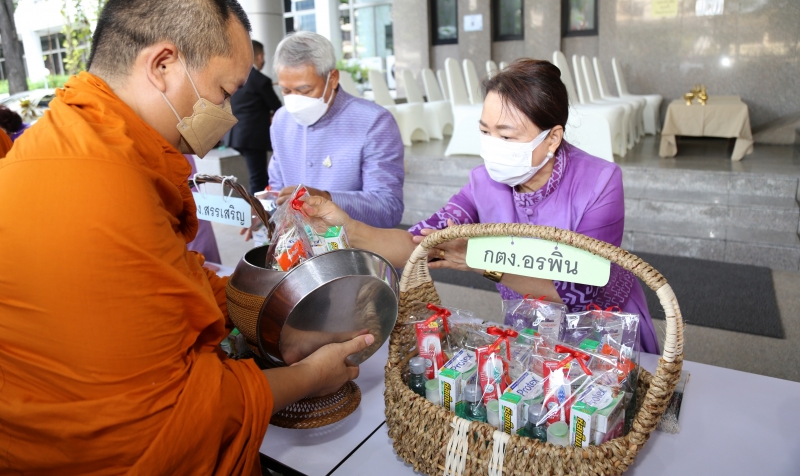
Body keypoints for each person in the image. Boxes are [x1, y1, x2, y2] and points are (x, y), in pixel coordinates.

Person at [0, 0, 371, 475]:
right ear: (164, 66)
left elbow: (170, 294)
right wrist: (312, 377)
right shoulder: (110, 190)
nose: (230, 116)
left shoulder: (57, 139)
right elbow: (177, 415)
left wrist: (278, 316)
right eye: (223, 92)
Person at [303, 59, 659, 354]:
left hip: (602, 326)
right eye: (485, 131)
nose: (493, 146)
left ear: (552, 138)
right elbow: (420, 244)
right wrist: (345, 227)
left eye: (506, 136)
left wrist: (483, 263)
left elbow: (578, 289)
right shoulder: (484, 181)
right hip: (531, 322)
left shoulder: (600, 183)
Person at [268, 31, 404, 228]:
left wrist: (326, 198)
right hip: (295, 248)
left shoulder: (374, 122)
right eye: (286, 91)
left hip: (352, 249)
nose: (295, 100)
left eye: (305, 90)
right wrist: (264, 212)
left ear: (332, 78)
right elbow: (277, 189)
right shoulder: (281, 120)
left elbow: (388, 208)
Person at [227, 39, 283, 194]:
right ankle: (257, 215)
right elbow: (278, 108)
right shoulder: (260, 80)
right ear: (258, 57)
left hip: (235, 135)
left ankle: (258, 211)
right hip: (253, 137)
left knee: (257, 176)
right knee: (258, 178)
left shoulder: (233, 77)